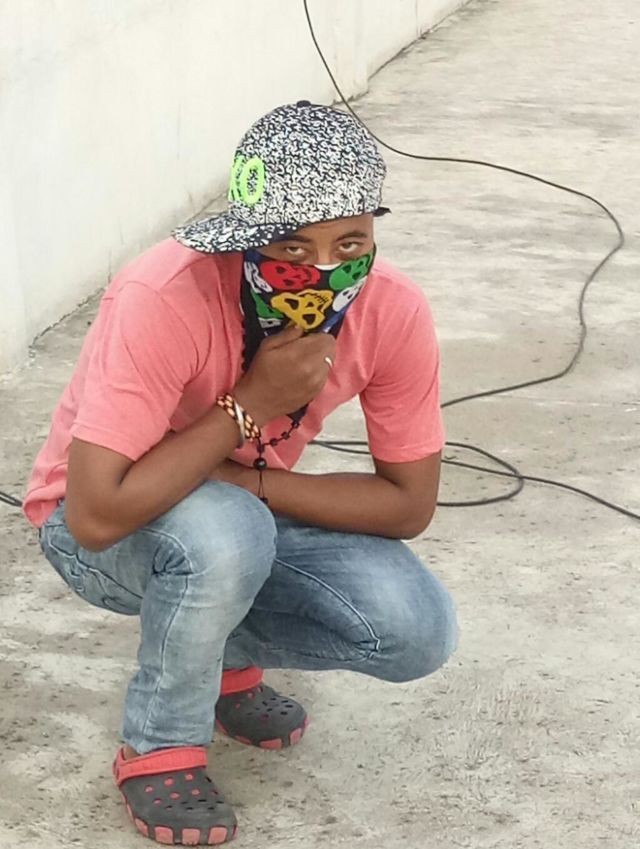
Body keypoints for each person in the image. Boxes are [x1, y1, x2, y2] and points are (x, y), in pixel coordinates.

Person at [23, 101, 457, 846]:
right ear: (247, 238)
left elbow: (408, 504)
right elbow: (94, 514)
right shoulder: (165, 294)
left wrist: (248, 480)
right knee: (226, 532)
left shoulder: (392, 311)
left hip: (240, 510)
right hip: (94, 523)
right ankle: (159, 745)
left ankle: (220, 652)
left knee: (414, 628)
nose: (324, 271)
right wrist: (252, 403)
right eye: (293, 244)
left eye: (351, 242)